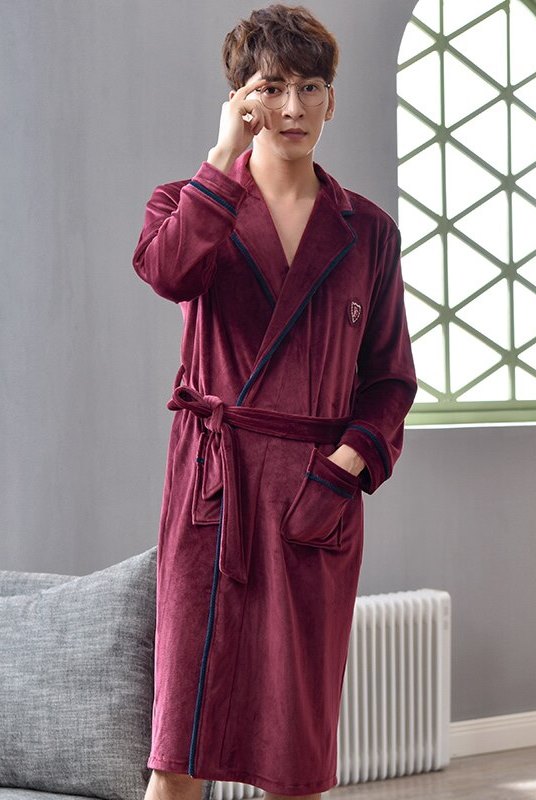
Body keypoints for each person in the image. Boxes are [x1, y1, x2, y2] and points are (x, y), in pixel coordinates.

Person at [132, 4, 417, 800]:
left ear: (333, 100)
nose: (293, 108)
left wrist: (343, 469)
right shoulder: (186, 203)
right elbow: (167, 274)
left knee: (296, 755)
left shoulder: (368, 233)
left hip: (312, 498)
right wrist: (221, 158)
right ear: (243, 100)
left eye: (310, 87)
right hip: (213, 493)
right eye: (273, 88)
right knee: (177, 748)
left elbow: (390, 380)